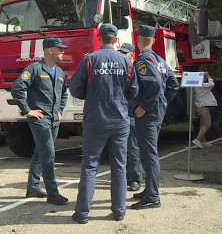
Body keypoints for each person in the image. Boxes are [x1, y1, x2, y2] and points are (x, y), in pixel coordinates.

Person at [69, 24, 139, 224]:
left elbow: (75, 89)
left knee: (90, 166)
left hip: (95, 119)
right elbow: (133, 91)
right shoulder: (127, 61)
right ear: (116, 40)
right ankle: (119, 210)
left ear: (99, 38)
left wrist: (91, 96)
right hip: (120, 120)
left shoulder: (90, 59)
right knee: (119, 165)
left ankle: (82, 213)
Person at [11, 37, 69, 205]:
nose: (63, 52)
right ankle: (52, 192)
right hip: (40, 119)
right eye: (60, 49)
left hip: (53, 119)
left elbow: (64, 94)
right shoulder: (35, 69)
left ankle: (33, 187)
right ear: (50, 50)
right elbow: (18, 88)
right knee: (49, 154)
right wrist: (28, 110)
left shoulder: (59, 72)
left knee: (40, 152)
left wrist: (60, 111)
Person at [131, 25, 179, 210]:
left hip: (148, 114)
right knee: (147, 152)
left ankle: (152, 196)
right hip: (157, 112)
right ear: (154, 40)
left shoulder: (143, 59)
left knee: (149, 154)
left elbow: (155, 84)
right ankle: (149, 189)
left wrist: (144, 106)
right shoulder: (160, 60)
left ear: (137, 40)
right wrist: (162, 103)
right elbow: (173, 85)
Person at [119, 42, 143, 192]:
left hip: (131, 112)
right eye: (121, 52)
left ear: (131, 54)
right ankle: (126, 177)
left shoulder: (136, 69)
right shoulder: (120, 68)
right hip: (120, 112)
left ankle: (135, 178)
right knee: (122, 148)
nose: (122, 55)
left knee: (133, 147)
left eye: (125, 53)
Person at [192, 71, 217, 149]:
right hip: (203, 107)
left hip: (200, 107)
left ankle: (203, 141)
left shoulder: (198, 86)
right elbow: (212, 84)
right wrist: (208, 77)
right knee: (207, 124)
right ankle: (197, 139)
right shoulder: (201, 86)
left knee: (203, 124)